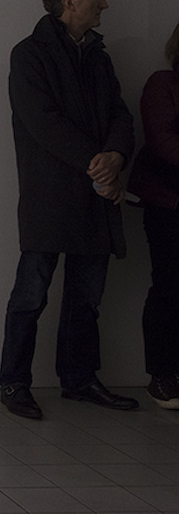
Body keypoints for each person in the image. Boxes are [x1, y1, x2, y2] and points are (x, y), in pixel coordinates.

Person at [0, 0, 139, 419]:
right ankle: (14, 381)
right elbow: (44, 124)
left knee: (87, 299)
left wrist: (115, 156)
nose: (105, 3)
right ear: (69, 2)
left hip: (95, 196)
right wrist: (99, 166)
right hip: (51, 196)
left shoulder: (98, 56)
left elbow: (120, 113)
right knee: (30, 296)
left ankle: (78, 380)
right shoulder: (29, 55)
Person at [127, 21, 179, 409]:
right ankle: (162, 376)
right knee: (169, 287)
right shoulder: (163, 83)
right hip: (169, 203)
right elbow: (163, 142)